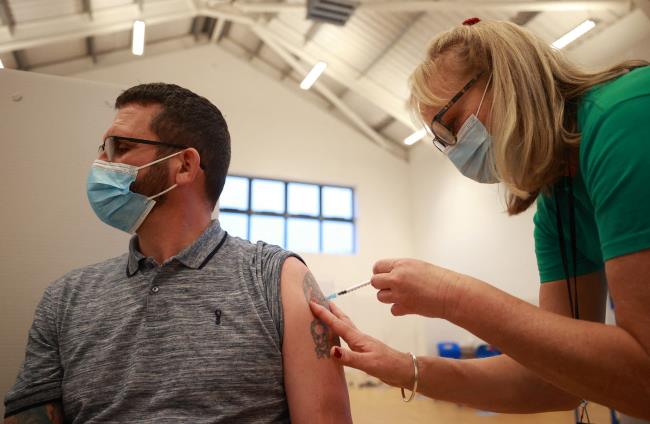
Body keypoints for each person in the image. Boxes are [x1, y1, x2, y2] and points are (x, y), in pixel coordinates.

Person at [310, 18, 650, 421]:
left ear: (505, 78)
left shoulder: (624, 119)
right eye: (444, 141)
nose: (456, 150)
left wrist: (454, 297)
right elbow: (556, 380)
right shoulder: (557, 207)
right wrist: (401, 366)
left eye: (453, 124)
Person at [4, 83, 352, 423]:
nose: (100, 162)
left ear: (184, 165)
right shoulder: (66, 298)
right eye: (102, 148)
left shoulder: (275, 278)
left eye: (120, 147)